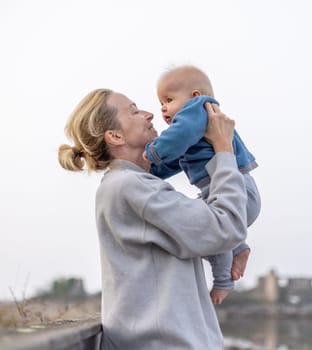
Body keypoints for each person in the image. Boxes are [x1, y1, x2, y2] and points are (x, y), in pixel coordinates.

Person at [58, 88, 248, 350]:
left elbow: (206, 233)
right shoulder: (131, 187)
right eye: (134, 111)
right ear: (114, 136)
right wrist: (224, 150)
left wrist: (232, 245)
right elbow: (224, 228)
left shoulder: (128, 185)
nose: (149, 115)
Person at [144, 65, 261, 304]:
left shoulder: (197, 110)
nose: (163, 108)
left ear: (194, 96)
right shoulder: (196, 131)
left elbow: (177, 137)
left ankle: (223, 281)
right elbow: (174, 160)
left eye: (168, 100)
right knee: (196, 224)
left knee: (202, 233)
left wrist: (153, 152)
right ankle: (237, 247)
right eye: (161, 103)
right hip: (234, 191)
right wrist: (151, 170)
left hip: (237, 191)